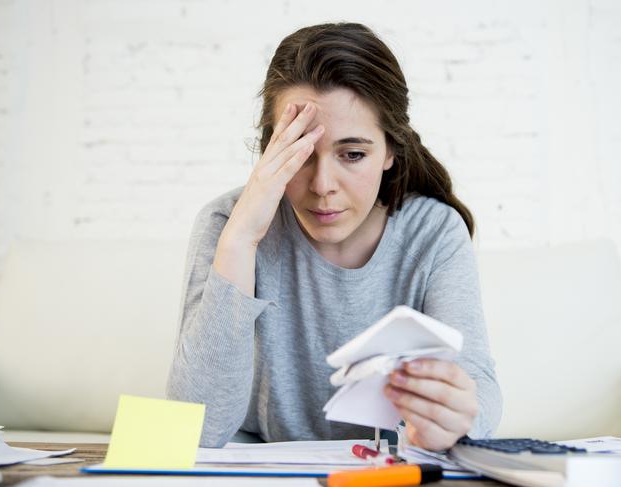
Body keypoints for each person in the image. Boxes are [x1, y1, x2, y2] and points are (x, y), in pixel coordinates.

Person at [167, 22, 502, 451]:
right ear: (272, 148)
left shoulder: (433, 232)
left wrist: (455, 417)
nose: (323, 184)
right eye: (301, 151)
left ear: (391, 150)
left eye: (353, 154)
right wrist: (241, 239)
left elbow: (479, 390)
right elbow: (192, 431)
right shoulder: (226, 223)